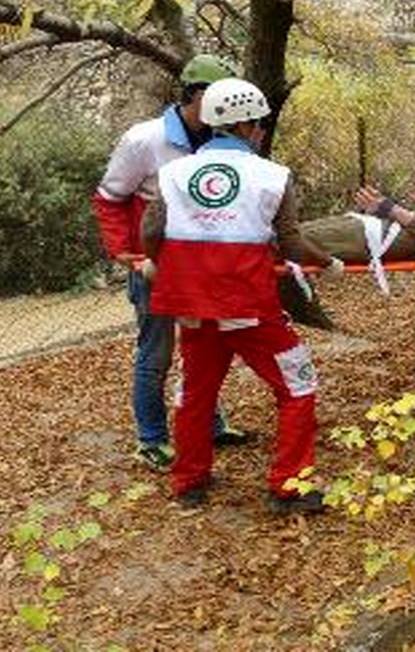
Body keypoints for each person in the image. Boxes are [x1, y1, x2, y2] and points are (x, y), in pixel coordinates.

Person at [140, 77, 344, 514]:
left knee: (195, 392)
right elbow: (290, 241)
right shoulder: (272, 176)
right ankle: (289, 486)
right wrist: (328, 263)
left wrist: (157, 260)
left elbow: (152, 229)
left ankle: (189, 482)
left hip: (192, 305)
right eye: (261, 123)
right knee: (298, 385)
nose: (263, 130)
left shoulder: (174, 172)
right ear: (250, 125)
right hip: (248, 305)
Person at [92, 54, 252, 472]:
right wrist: (129, 257)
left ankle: (209, 423)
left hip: (204, 265)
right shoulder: (145, 140)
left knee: (206, 347)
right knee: (156, 353)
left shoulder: (224, 140)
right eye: (216, 97)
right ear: (195, 95)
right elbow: (109, 199)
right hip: (156, 266)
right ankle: (151, 440)